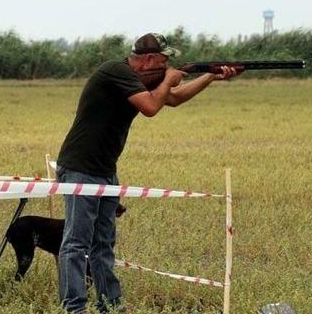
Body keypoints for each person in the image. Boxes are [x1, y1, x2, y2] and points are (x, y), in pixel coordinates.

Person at [56, 33, 238, 313]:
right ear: (150, 59)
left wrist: (211, 77)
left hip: (104, 169)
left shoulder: (135, 79)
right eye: (164, 60)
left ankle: (111, 306)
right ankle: (73, 307)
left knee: (103, 243)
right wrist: (168, 79)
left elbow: (173, 98)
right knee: (76, 243)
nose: (167, 66)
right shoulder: (115, 71)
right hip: (80, 168)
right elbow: (152, 107)